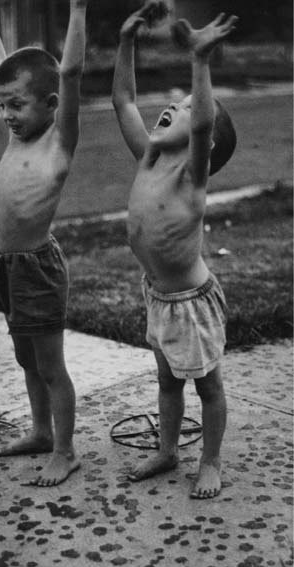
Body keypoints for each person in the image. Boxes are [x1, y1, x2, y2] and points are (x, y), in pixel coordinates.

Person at [112, 0, 238, 499]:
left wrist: (200, 63)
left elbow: (204, 124)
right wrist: (126, 42)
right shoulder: (148, 157)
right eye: (176, 101)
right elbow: (123, 101)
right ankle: (167, 450)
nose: (175, 105)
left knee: (207, 387)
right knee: (167, 382)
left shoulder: (191, 177)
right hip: (159, 296)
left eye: (185, 106)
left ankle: (210, 462)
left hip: (191, 304)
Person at [0, 0, 89, 486]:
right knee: (26, 357)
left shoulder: (57, 143)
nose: (6, 115)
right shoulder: (16, 137)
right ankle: (41, 432)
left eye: (16, 105)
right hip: (5, 264)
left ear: (51, 103)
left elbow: (71, 72)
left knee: (50, 364)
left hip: (37, 268)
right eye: (1, 105)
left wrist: (79, 9)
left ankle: (64, 450)